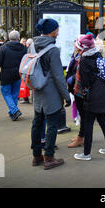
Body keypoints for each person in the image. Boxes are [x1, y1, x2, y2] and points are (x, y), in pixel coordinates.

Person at [31, 18, 71, 170]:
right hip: (51, 93)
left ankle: (36, 156)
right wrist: (66, 96)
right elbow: (58, 76)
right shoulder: (52, 50)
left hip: (37, 91)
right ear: (52, 31)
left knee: (37, 123)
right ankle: (49, 158)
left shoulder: (33, 45)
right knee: (52, 125)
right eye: (57, 29)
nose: (58, 31)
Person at [75, 34, 105, 161]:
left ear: (83, 48)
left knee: (88, 124)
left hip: (94, 95)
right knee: (102, 120)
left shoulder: (84, 61)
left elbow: (86, 82)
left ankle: (86, 154)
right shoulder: (98, 55)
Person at [0, 30, 27, 121]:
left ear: (9, 38)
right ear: (18, 38)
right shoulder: (23, 48)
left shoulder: (4, 48)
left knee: (6, 93)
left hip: (6, 75)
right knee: (14, 94)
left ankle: (14, 110)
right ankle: (12, 113)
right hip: (17, 75)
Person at [67, 36, 86, 148]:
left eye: (77, 45)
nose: (74, 46)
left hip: (80, 90)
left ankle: (82, 137)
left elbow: (80, 74)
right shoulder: (77, 56)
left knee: (84, 115)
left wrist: (72, 79)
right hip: (76, 89)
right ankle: (82, 136)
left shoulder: (83, 58)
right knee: (82, 115)